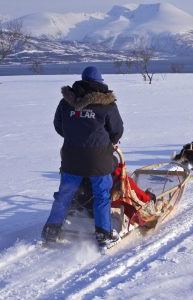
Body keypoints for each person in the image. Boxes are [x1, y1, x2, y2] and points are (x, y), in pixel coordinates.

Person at [42, 66, 124, 247]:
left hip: (71, 158)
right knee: (102, 195)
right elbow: (116, 130)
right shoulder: (107, 104)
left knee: (64, 194)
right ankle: (103, 233)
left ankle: (51, 230)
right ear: (100, 83)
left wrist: (75, 137)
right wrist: (108, 142)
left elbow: (58, 125)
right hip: (99, 159)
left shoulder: (66, 103)